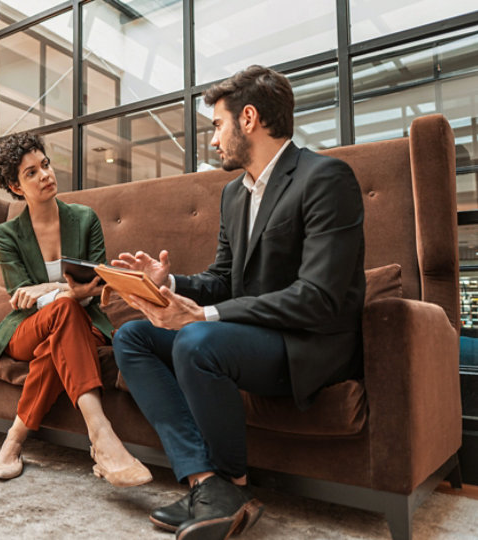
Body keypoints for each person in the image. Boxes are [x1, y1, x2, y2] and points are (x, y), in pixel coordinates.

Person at [111, 65, 365, 540]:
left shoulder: (326, 178)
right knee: (133, 337)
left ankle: (234, 484)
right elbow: (225, 279)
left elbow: (319, 297)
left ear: (248, 118)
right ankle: (209, 485)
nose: (213, 140)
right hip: (247, 338)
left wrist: (203, 315)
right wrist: (170, 282)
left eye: (217, 125)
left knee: (196, 341)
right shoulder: (233, 194)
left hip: (305, 344)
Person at [0, 132, 152, 487]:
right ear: (16, 186)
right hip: (27, 327)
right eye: (31, 173)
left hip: (85, 322)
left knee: (60, 334)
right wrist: (66, 292)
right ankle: (101, 436)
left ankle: (15, 439)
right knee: (65, 309)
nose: (45, 175)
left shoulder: (85, 219)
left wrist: (48, 289)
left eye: (45, 165)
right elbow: (22, 297)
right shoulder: (6, 234)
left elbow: (98, 284)